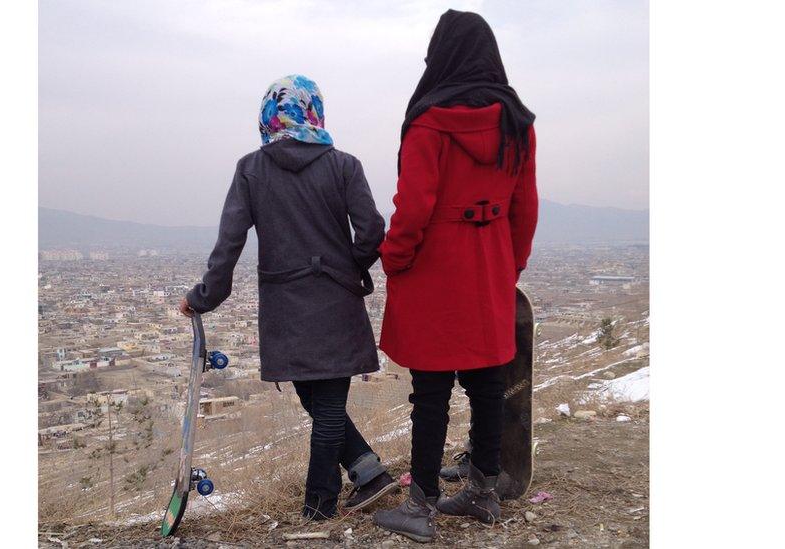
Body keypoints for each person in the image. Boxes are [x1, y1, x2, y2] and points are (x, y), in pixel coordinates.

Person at [179, 75, 398, 520]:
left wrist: (203, 297)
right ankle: (367, 473)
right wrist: (348, 268)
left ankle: (319, 505)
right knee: (323, 399)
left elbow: (230, 243)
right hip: (335, 298)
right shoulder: (344, 165)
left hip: (284, 305)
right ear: (314, 111)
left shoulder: (251, 169)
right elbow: (372, 230)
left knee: (319, 400)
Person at [372, 10, 538, 542]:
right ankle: (484, 492)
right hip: (488, 260)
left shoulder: (429, 122)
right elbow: (525, 206)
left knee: (431, 388)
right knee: (489, 380)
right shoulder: (518, 123)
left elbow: (413, 207)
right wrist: (507, 264)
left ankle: (420, 506)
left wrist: (393, 258)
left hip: (435, 269)